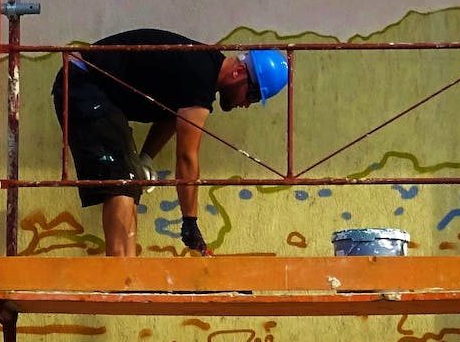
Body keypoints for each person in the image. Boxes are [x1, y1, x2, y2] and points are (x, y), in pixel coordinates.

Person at [52, 29, 288, 256]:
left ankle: (128, 272)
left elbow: (170, 116)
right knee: (122, 180)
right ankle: (120, 274)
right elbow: (187, 156)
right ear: (238, 73)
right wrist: (190, 222)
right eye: (253, 95)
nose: (247, 104)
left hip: (90, 85)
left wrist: (144, 158)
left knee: (130, 178)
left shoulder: (200, 70)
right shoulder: (201, 76)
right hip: (81, 81)